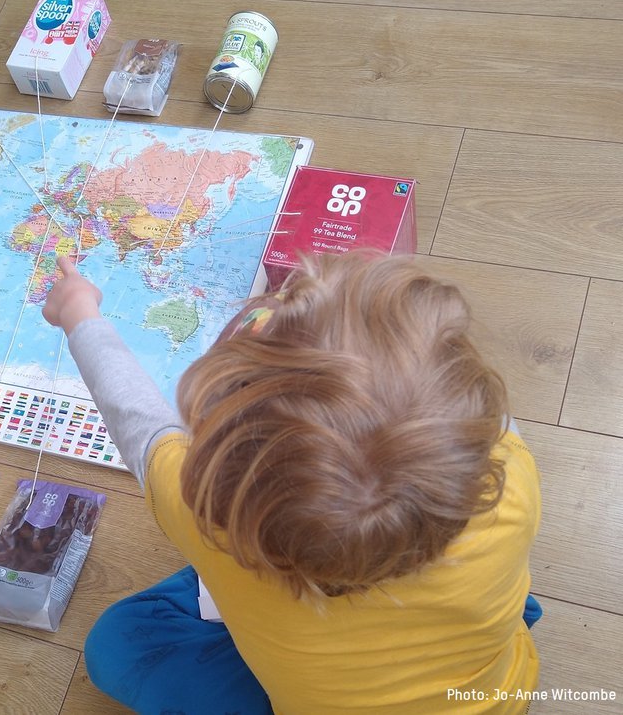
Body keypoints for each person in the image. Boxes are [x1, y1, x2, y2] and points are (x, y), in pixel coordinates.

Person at [42, 251, 541, 714]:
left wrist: (79, 314)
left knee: (116, 645)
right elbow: (447, 394)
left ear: (225, 491)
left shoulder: (206, 528)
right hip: (496, 692)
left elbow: (141, 424)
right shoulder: (512, 474)